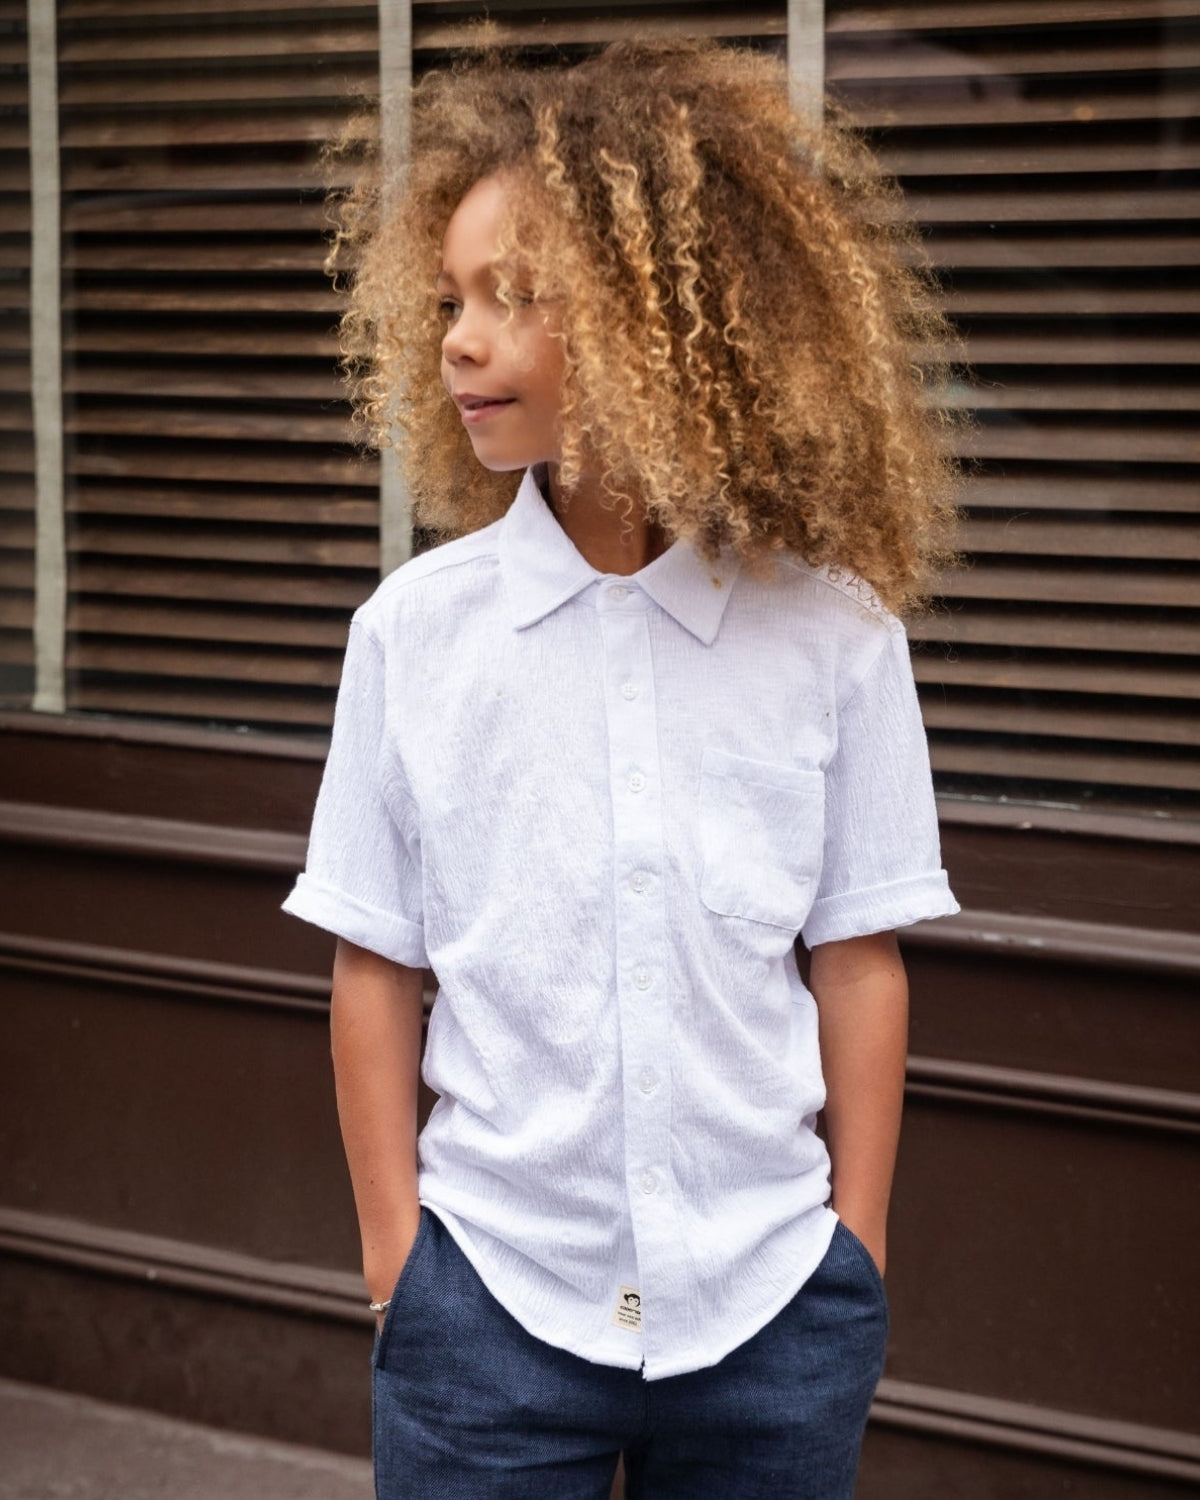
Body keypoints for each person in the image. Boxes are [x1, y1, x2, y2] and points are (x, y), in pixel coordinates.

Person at [282, 38, 960, 1500]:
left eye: (514, 297)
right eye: (451, 296)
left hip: (771, 1308)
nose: (460, 337)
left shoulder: (836, 641)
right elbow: (372, 971)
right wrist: (400, 1269)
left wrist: (858, 1254)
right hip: (487, 1308)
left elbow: (857, 961)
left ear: (670, 321)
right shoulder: (414, 637)